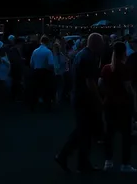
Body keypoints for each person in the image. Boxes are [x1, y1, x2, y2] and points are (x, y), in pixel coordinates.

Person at [55, 33, 105, 173]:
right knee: (83, 131)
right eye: (101, 43)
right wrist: (99, 100)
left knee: (84, 132)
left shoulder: (81, 54)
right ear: (95, 43)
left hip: (79, 97)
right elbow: (90, 82)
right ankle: (64, 155)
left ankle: (81, 162)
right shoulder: (88, 57)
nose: (102, 46)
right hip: (85, 99)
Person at [99, 41, 137, 173]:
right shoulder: (125, 68)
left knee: (109, 134)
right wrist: (134, 105)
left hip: (109, 104)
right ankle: (125, 164)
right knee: (126, 135)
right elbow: (128, 89)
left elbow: (100, 83)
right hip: (123, 106)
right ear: (124, 53)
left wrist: (106, 95)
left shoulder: (106, 68)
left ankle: (108, 162)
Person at [30, 36, 54, 110]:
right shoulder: (48, 51)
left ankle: (33, 106)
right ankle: (47, 106)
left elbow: (31, 63)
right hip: (45, 72)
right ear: (47, 42)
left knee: (36, 89)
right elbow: (51, 64)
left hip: (36, 71)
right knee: (46, 89)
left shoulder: (35, 51)